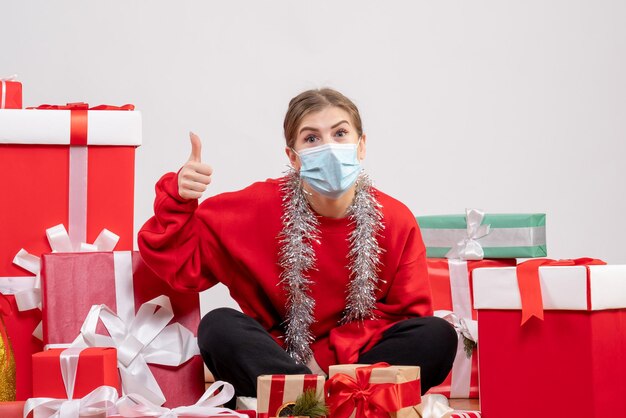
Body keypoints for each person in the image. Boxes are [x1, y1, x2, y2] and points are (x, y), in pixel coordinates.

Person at [138, 88, 457, 400]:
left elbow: (409, 318)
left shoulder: (396, 219)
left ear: (361, 146)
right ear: (293, 156)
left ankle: (310, 401)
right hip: (281, 357)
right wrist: (179, 197)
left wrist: (323, 360)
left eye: (340, 133)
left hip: (358, 360)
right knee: (218, 326)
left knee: (436, 335)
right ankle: (329, 401)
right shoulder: (254, 207)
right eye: (312, 138)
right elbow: (181, 263)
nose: (329, 147)